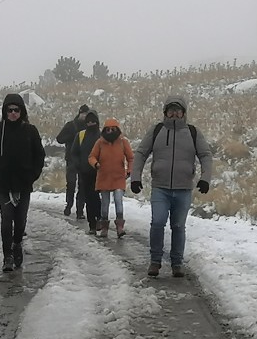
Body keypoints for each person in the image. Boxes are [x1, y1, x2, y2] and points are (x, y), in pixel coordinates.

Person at [130, 95, 213, 278]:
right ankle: (155, 261)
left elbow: (205, 155)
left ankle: (177, 263)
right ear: (165, 112)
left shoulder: (193, 132)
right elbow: (141, 153)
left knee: (178, 226)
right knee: (158, 222)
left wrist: (205, 178)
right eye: (171, 110)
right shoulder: (157, 130)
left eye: (178, 110)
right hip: (160, 187)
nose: (174, 113)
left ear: (184, 113)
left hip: (184, 189)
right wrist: (135, 177)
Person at [0, 92, 46, 272]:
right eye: (9, 110)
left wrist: (33, 174)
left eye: (16, 110)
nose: (13, 113)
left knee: (21, 220)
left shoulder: (30, 131)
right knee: (7, 219)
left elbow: (39, 155)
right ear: (5, 111)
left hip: (24, 184)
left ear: (21, 111)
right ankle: (7, 256)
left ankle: (17, 243)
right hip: (2, 184)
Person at [88, 117, 134, 239]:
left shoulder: (123, 142)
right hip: (104, 177)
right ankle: (104, 228)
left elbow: (131, 158)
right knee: (105, 204)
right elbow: (91, 156)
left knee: (119, 201)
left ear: (117, 129)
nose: (110, 132)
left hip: (118, 177)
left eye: (113, 129)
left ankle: (120, 227)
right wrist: (96, 164)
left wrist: (129, 170)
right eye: (107, 129)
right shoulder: (100, 143)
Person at [70, 110, 103, 234]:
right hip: (84, 172)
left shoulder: (101, 136)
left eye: (93, 121)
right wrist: (78, 165)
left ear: (97, 121)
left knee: (96, 197)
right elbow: (74, 152)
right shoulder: (80, 135)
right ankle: (92, 225)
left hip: (99, 172)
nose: (90, 123)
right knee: (89, 198)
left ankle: (99, 218)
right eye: (88, 121)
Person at [56, 104, 91, 218]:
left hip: (84, 160)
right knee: (71, 184)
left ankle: (80, 210)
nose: (84, 116)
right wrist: (72, 137)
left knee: (82, 185)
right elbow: (59, 139)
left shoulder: (89, 127)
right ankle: (69, 205)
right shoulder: (71, 125)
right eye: (83, 114)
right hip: (71, 159)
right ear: (79, 113)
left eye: (86, 114)